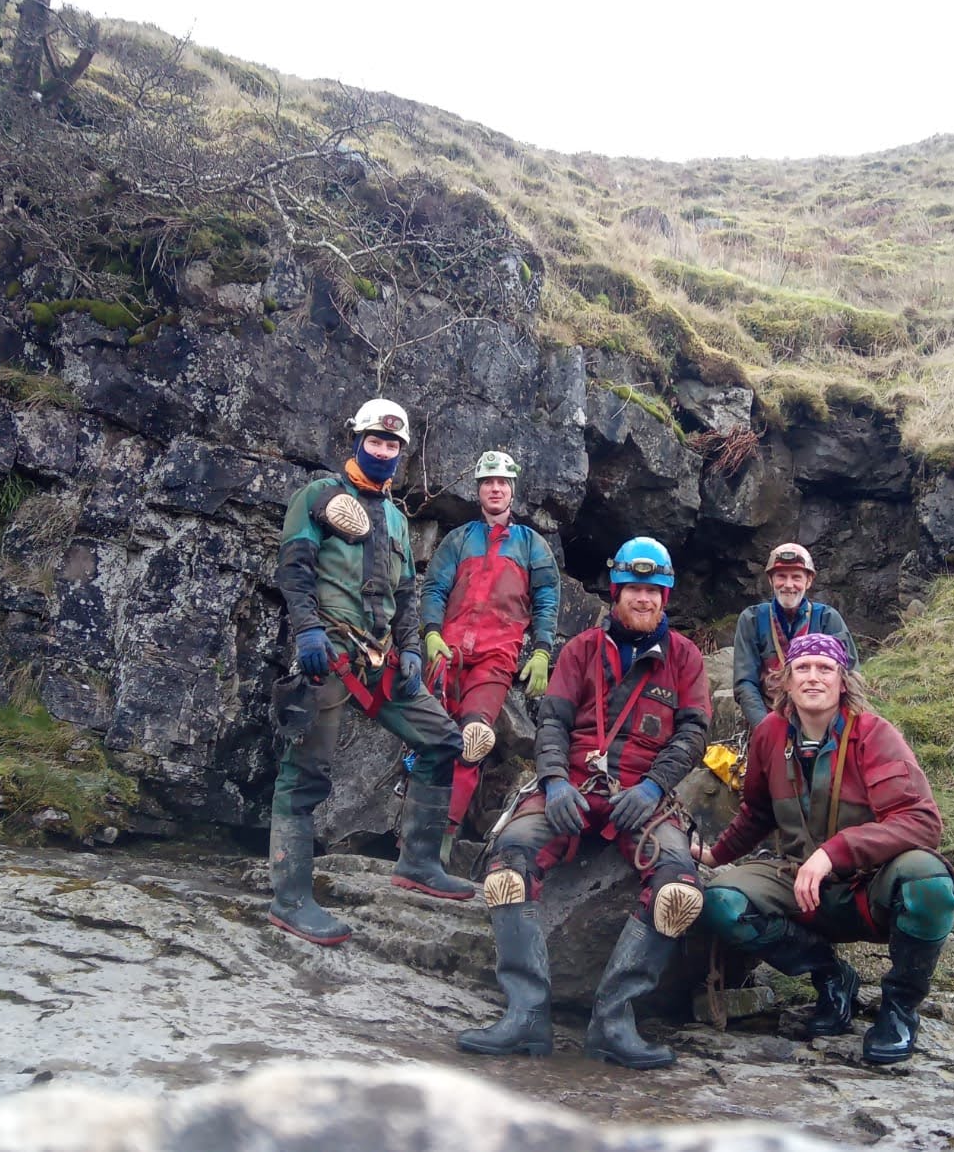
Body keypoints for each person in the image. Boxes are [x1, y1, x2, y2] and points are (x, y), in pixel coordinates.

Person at [456, 537, 710, 1069]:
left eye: (654, 591)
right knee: (508, 867)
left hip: (643, 797)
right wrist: (553, 780)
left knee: (678, 892)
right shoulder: (580, 650)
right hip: (572, 787)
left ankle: (615, 1021)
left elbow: (692, 735)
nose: (644, 600)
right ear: (617, 593)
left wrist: (654, 787)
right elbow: (553, 720)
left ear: (666, 596)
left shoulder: (684, 658)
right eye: (635, 590)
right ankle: (526, 1014)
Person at [696, 632, 954, 1063]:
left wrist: (834, 852)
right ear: (786, 681)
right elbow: (758, 813)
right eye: (803, 668)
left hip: (868, 888)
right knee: (721, 901)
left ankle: (899, 1009)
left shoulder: (875, 735)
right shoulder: (769, 735)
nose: (813, 677)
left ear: (842, 680)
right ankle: (831, 977)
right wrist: (713, 856)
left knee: (928, 880)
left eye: (825, 668)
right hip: (797, 884)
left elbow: (922, 821)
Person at [268, 397, 474, 947]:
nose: (383, 451)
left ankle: (419, 862)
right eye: (375, 442)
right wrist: (306, 630)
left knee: (442, 740)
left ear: (400, 453)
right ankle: (289, 898)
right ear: (356, 441)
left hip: (383, 657)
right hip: (330, 651)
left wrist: (411, 646)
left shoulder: (395, 517)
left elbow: (407, 592)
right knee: (306, 771)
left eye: (392, 445)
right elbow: (295, 570)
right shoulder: (318, 497)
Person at [420, 450, 560, 855]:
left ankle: (442, 842)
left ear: (512, 490)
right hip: (444, 654)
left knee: (474, 739)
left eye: (502, 482)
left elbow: (548, 598)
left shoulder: (531, 545)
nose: (495, 488)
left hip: (496, 659)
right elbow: (434, 589)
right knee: (428, 738)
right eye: (488, 482)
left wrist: (541, 652)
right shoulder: (459, 539)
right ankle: (412, 834)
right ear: (478, 489)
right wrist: (430, 633)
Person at [732, 543, 858, 729]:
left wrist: (838, 727)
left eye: (796, 577)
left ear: (809, 581)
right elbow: (745, 683)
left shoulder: (827, 619)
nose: (788, 585)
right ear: (770, 580)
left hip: (822, 722)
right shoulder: (752, 619)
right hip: (768, 717)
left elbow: (850, 675)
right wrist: (765, 728)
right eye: (781, 576)